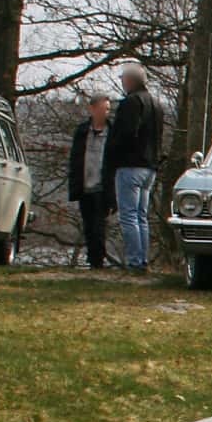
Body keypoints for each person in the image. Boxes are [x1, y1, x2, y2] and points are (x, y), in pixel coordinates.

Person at [105, 62, 163, 271]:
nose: (122, 82)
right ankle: (143, 259)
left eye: (123, 79)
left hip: (131, 164)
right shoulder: (156, 104)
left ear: (130, 80)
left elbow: (125, 134)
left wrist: (113, 154)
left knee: (128, 215)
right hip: (150, 166)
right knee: (141, 215)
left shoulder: (132, 102)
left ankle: (134, 261)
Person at [67, 94, 115, 268]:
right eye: (103, 109)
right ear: (92, 109)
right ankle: (92, 257)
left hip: (103, 187)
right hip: (84, 184)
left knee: (99, 225)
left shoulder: (113, 132)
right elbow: (74, 159)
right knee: (88, 224)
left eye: (108, 109)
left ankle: (97, 260)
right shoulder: (82, 131)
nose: (106, 112)